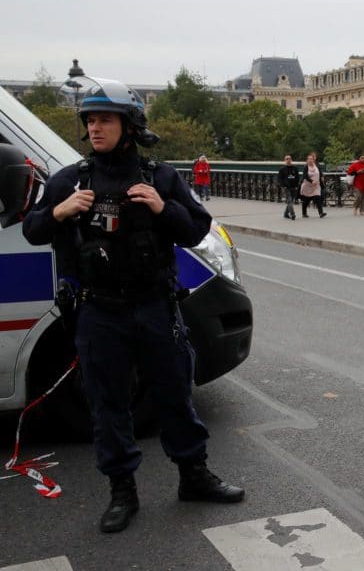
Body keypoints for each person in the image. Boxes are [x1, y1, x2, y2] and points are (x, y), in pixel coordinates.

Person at [21, 79, 244, 534]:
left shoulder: (160, 177)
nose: (95, 127)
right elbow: (33, 230)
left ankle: (194, 476)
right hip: (98, 311)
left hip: (156, 306)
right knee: (107, 403)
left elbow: (196, 229)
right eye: (90, 120)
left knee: (175, 394)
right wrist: (61, 212)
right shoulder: (70, 179)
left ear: (129, 124)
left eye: (104, 119)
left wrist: (164, 208)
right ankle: (122, 491)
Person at [299, 152, 326, 218]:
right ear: (307, 160)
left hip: (316, 186)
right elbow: (305, 176)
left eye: (312, 159)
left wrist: (322, 176)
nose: (311, 160)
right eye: (309, 159)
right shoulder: (306, 167)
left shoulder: (316, 166)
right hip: (308, 186)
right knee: (306, 200)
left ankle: (321, 213)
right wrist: (311, 181)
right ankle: (304, 213)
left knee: (318, 198)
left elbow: (319, 171)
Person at [277, 154, 300, 220]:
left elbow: (297, 178)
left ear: (291, 160)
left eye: (289, 159)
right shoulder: (282, 169)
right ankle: (293, 214)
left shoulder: (295, 168)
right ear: (284, 160)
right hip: (286, 188)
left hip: (294, 187)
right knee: (289, 201)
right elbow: (280, 179)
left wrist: (297, 185)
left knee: (291, 201)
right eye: (287, 159)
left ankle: (286, 214)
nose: (288, 160)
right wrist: (283, 186)